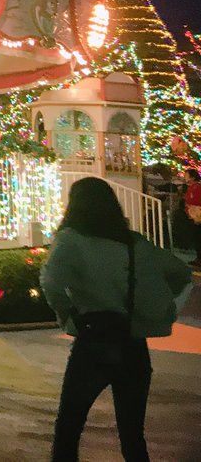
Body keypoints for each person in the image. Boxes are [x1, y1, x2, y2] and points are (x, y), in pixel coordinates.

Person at [41, 176, 192, 462]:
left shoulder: (72, 240)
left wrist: (67, 316)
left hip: (93, 341)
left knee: (69, 429)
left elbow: (51, 281)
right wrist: (155, 308)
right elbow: (181, 275)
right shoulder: (135, 245)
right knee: (133, 435)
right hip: (132, 343)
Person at [184, 167, 201, 268]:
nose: (185, 178)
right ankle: (199, 257)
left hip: (197, 214)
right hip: (193, 214)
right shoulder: (191, 188)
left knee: (198, 236)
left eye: (187, 176)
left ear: (193, 177)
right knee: (197, 236)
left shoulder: (197, 188)